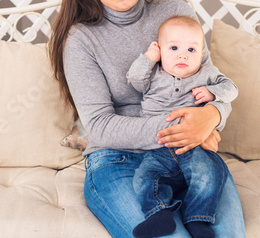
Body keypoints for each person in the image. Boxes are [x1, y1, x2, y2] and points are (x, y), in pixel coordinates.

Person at [48, 0, 246, 237]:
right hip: (119, 157)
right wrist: (187, 127)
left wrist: (213, 116)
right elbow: (99, 126)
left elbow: (210, 85)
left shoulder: (175, 9)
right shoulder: (81, 38)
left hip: (191, 150)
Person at [126, 16, 238, 238]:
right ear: (161, 51)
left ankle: (198, 219)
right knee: (144, 177)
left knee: (210, 173)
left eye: (191, 49)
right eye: (174, 48)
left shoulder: (207, 73)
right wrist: (149, 58)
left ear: (202, 53)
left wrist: (213, 93)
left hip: (195, 145)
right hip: (157, 149)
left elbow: (232, 88)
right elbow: (134, 79)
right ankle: (159, 215)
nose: (183, 55)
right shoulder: (154, 73)